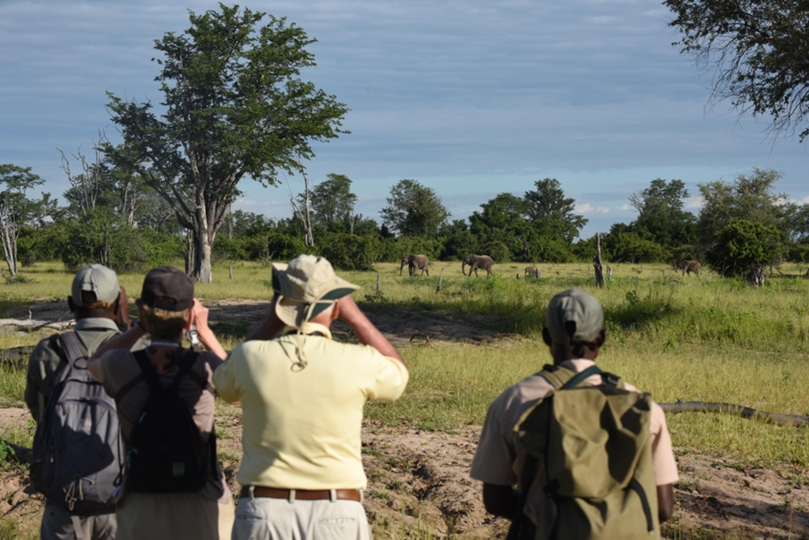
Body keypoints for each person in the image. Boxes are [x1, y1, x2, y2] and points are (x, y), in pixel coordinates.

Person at [213, 254, 409, 540]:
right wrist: (355, 317)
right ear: (336, 303)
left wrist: (271, 322)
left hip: (264, 510)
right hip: (338, 512)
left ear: (281, 303)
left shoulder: (249, 357)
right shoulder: (356, 360)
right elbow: (398, 374)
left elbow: (225, 386)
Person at [470, 288, 678, 538]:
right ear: (601, 337)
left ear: (546, 336)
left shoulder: (513, 402)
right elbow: (664, 509)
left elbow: (495, 500)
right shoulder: (644, 408)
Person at [85, 266, 234, 540]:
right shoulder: (207, 366)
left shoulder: (120, 365)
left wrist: (140, 327)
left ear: (144, 313)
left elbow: (92, 362)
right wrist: (203, 332)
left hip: (141, 501)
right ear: (189, 316)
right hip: (203, 498)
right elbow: (236, 389)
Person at [25, 263, 130, 540]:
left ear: (71, 303)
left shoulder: (46, 351)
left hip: (63, 499)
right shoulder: (136, 352)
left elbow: (40, 414)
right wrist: (129, 327)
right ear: (119, 302)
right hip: (121, 499)